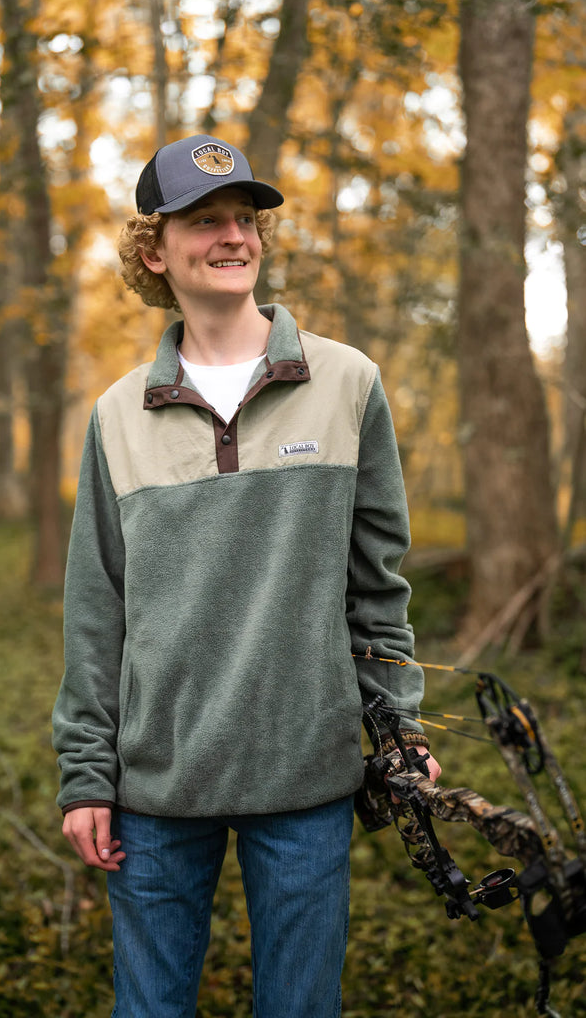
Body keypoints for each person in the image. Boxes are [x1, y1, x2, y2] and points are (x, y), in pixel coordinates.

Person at [52, 133, 440, 1018]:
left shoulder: (347, 383)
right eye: (203, 221)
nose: (233, 237)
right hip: (155, 783)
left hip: (303, 774)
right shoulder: (117, 413)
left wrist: (399, 722)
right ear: (154, 250)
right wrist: (86, 773)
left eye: (244, 219)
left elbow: (376, 583)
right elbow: (94, 608)